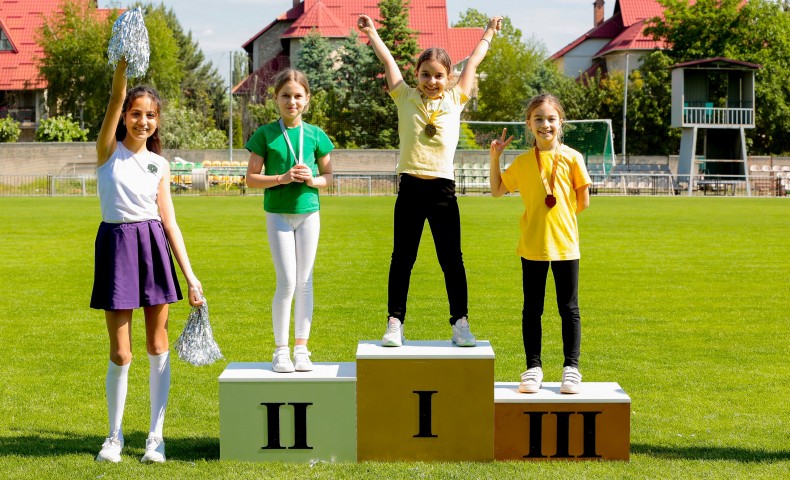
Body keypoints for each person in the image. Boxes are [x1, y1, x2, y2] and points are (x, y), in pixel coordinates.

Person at [358, 14, 501, 348]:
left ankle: (461, 323)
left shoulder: (455, 98)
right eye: (425, 74)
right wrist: (372, 32)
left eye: (439, 76)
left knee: (452, 260)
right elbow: (388, 61)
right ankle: (395, 322)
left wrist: (488, 33)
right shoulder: (405, 97)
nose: (432, 81)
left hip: (442, 191)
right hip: (410, 187)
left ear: (449, 78)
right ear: (416, 75)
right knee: (402, 259)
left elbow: (474, 60)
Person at [92, 59, 204, 463]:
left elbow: (170, 223)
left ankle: (156, 438)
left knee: (158, 346)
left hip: (153, 247)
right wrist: (122, 65)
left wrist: (191, 277)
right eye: (136, 114)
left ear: (157, 121)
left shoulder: (160, 164)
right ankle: (114, 437)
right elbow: (115, 96)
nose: (143, 121)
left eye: (151, 115)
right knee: (121, 353)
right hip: (116, 247)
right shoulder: (108, 151)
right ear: (124, 116)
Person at [488, 93, 591, 394]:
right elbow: (497, 190)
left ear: (561, 123)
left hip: (565, 246)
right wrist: (495, 157)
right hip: (532, 246)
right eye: (539, 119)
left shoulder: (573, 157)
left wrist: (559, 221)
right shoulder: (522, 162)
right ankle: (533, 368)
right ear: (529, 125)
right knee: (532, 310)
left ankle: (571, 368)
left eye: (551, 119)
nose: (545, 124)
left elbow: (583, 200)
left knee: (569, 309)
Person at [245, 69, 334, 373]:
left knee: (305, 282)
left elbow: (329, 177)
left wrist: (313, 180)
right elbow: (251, 179)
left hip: (308, 212)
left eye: (297, 96)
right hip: (278, 214)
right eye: (285, 95)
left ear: (307, 99)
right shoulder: (265, 134)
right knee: (286, 282)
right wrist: (281, 178)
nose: (291, 101)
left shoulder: (316, 135)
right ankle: (281, 351)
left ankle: (302, 349)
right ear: (276, 99)